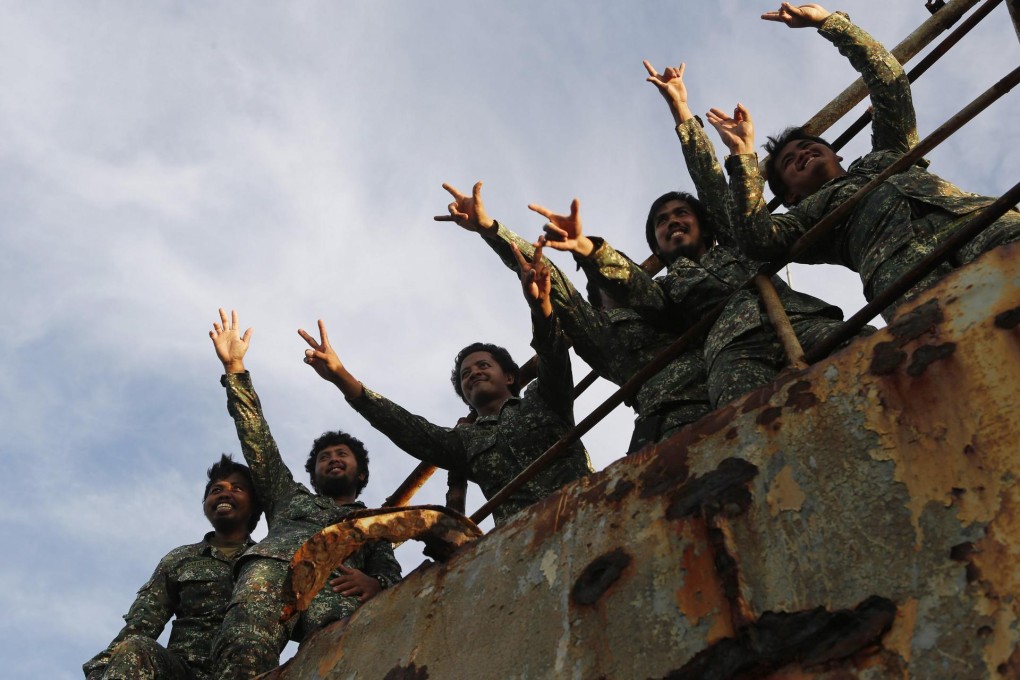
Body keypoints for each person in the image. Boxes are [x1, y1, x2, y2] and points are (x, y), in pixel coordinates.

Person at [537, 60, 849, 408]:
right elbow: (630, 283)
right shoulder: (664, 294)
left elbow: (710, 182)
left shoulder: (737, 243)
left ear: (705, 225)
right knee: (746, 428)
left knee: (867, 363)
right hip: (734, 359)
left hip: (803, 322)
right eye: (661, 221)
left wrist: (681, 110)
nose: (672, 222)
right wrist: (587, 249)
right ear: (655, 243)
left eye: (681, 213)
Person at [713, 3, 1020, 317]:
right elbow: (755, 238)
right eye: (790, 161)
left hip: (981, 223)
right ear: (789, 194)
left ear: (837, 153)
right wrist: (742, 157)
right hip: (907, 277)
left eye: (807, 146)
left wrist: (830, 24)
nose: (802, 154)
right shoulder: (805, 220)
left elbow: (891, 84)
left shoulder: (887, 154)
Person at [298, 240, 593, 527]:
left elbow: (552, 354)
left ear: (510, 376)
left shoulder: (544, 399)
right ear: (465, 396)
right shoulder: (464, 442)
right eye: (465, 374)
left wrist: (541, 307)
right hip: (526, 539)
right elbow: (403, 426)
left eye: (483, 366)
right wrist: (341, 376)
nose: (473, 374)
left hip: (590, 508)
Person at [435, 181, 711, 452]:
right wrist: (492, 230)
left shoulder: (668, 291)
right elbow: (552, 280)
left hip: (732, 376)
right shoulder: (602, 336)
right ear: (599, 306)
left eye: (615, 274)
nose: (612, 281)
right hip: (674, 424)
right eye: (602, 283)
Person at [208, 309, 401, 680]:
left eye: (342, 455)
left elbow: (388, 571)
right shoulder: (288, 497)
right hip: (270, 581)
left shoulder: (371, 524)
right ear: (312, 475)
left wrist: (377, 585)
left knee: (343, 661)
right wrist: (235, 369)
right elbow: (256, 439)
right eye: (324, 457)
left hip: (337, 599)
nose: (332, 460)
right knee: (241, 653)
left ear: (360, 473)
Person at [83, 455, 262, 680]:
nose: (224, 493)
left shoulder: (268, 559)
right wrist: (103, 668)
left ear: (255, 503)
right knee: (137, 648)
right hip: (182, 670)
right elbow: (142, 622)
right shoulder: (181, 558)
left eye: (237, 488)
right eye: (216, 490)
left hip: (246, 670)